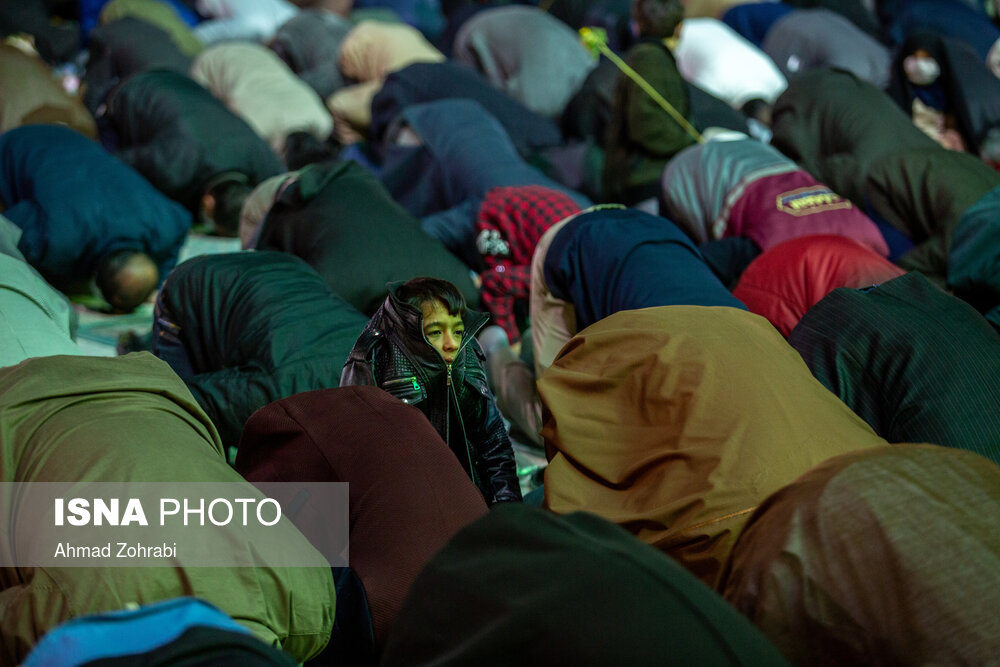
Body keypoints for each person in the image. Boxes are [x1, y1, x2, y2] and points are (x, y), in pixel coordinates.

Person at [341, 277, 522, 507]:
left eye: (457, 331)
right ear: (409, 330)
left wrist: (507, 511)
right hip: (406, 509)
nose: (452, 343)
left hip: (471, 502)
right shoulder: (374, 358)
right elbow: (357, 461)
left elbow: (495, 446)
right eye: (435, 332)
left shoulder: (467, 354)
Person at [0, 124, 191, 312]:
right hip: (15, 146)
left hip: (70, 139)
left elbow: (181, 225)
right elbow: (6, 231)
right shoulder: (57, 239)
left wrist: (157, 284)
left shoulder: (166, 225)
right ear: (97, 286)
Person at [106, 69, 285, 236]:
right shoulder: (172, 167)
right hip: (135, 91)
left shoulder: (265, 164)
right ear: (209, 203)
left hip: (182, 82)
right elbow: (111, 165)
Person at [602, 0, 696, 205]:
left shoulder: (648, 56)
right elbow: (646, 124)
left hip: (648, 179)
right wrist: (690, 142)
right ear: (679, 27)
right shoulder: (650, 58)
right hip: (646, 181)